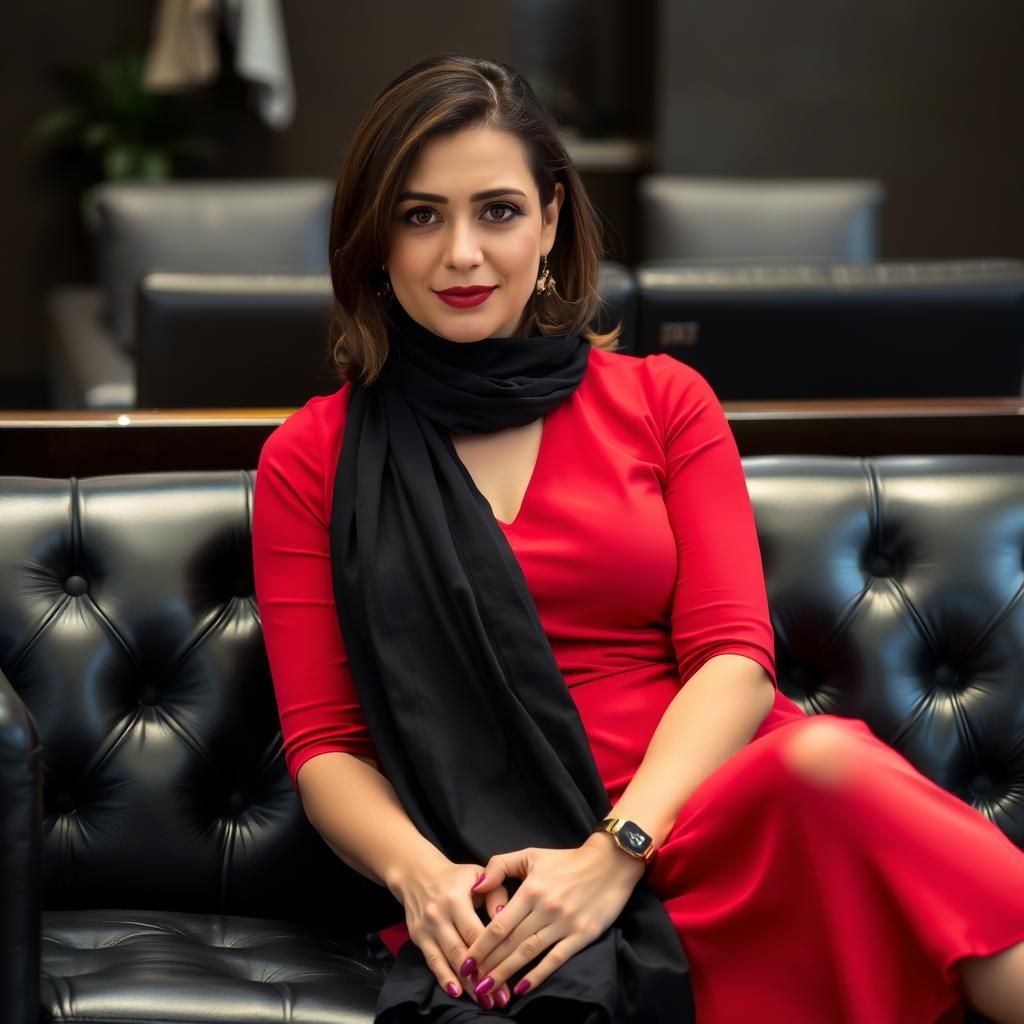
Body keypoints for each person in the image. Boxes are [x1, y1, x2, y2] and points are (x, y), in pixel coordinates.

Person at [251, 54, 1024, 1023]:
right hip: (505, 870)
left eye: (496, 210)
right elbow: (326, 743)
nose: (460, 254)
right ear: (372, 240)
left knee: (824, 765)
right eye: (418, 216)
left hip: (707, 813)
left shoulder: (664, 400)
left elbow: (734, 661)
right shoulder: (310, 456)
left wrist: (615, 852)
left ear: (551, 219)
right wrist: (421, 876)